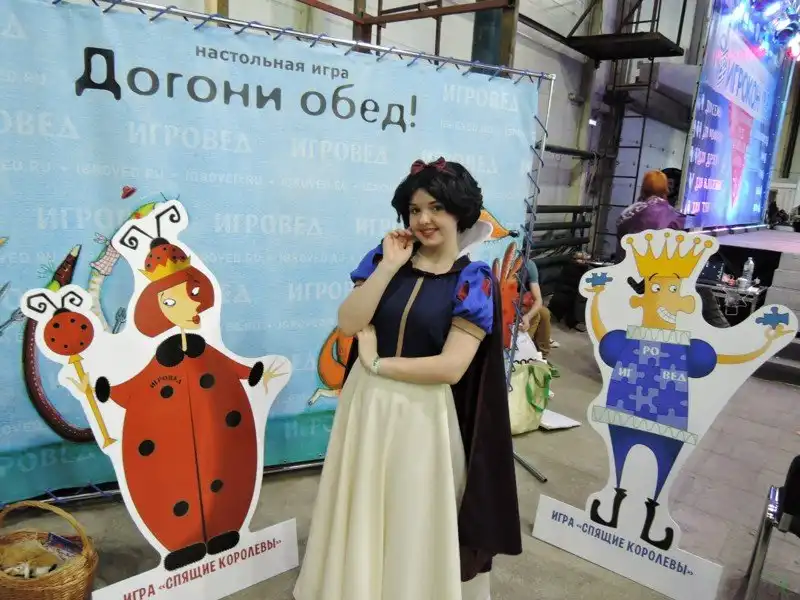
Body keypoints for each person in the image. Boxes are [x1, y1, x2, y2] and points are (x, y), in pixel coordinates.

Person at [293, 158, 521, 600]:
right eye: (415, 210)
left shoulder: (472, 281)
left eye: (436, 207)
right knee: (360, 502)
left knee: (413, 512)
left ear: (460, 212)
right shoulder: (384, 259)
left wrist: (379, 364)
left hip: (424, 413)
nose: (423, 220)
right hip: (366, 404)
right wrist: (388, 268)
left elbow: (451, 367)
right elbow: (348, 322)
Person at [616, 170, 729, 328]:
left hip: (628, 278)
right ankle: (722, 330)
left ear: (643, 188)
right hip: (658, 281)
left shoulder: (626, 214)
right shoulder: (675, 217)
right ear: (666, 190)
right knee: (702, 287)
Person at [520, 258, 556, 359]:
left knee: (545, 313)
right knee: (536, 315)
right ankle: (523, 352)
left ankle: (542, 354)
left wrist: (528, 316)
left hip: (520, 299)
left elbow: (538, 299)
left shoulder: (528, 265)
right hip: (504, 299)